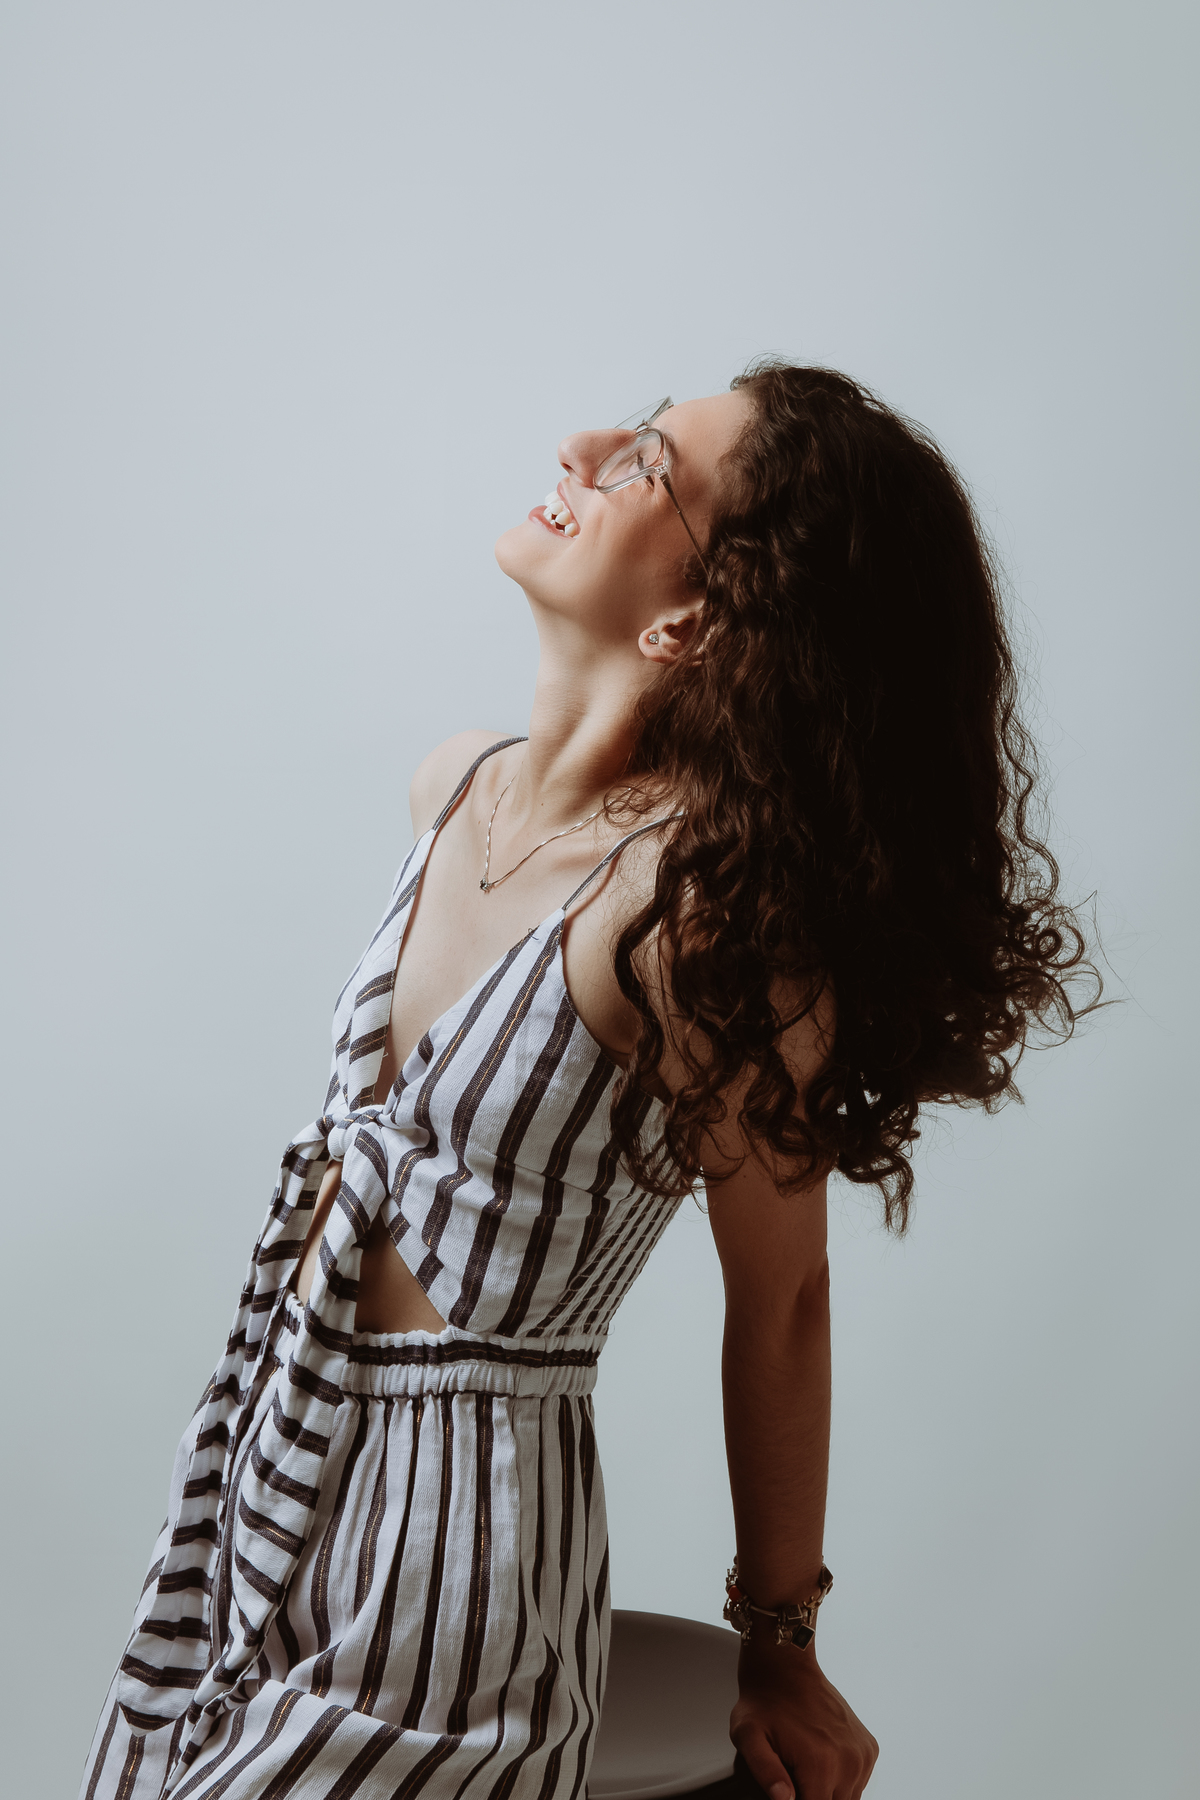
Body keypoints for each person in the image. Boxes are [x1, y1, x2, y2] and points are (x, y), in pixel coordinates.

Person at [81, 364, 1095, 1800]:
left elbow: (785, 1299)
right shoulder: (454, 790)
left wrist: (782, 1646)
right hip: (265, 1466)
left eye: (649, 463)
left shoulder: (706, 923)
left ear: (697, 617)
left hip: (449, 1567)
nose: (581, 445)